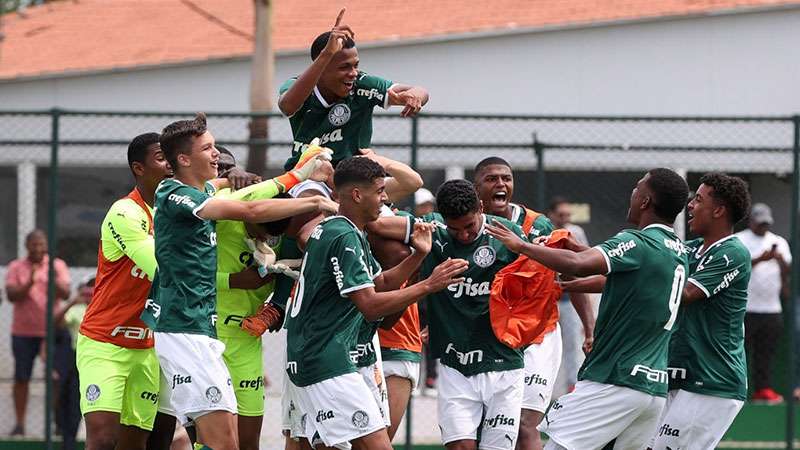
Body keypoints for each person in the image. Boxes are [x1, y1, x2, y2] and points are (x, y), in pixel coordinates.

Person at [148, 113, 337, 450]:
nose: (216, 154)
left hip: (200, 331)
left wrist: (295, 175)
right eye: (208, 148)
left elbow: (247, 189)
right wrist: (317, 199)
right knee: (220, 442)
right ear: (183, 159)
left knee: (218, 440)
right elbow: (249, 210)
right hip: (183, 331)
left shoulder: (203, 187)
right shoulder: (176, 196)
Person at [487, 168, 689, 450]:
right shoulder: (677, 250)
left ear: (645, 202)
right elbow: (619, 278)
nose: (632, 193)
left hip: (614, 380)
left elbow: (576, 265)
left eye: (637, 188)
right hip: (652, 389)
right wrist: (564, 285)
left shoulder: (637, 241)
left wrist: (521, 245)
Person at [283, 157, 468, 450]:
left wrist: (417, 257)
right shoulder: (342, 235)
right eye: (380, 190)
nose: (384, 198)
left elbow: (380, 283)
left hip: (322, 357)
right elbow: (369, 305)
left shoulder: (344, 231)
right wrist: (429, 285)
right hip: (325, 360)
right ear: (357, 195)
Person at [372, 179, 531, 449]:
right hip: (455, 365)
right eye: (456, 229)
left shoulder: (509, 236)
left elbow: (534, 293)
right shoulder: (434, 227)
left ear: (481, 207)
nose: (464, 236)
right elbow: (376, 224)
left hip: (504, 364)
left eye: (469, 226)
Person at [474, 157, 595, 450]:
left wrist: (590, 328)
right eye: (491, 179)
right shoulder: (464, 226)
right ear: (476, 186)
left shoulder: (536, 225)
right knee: (485, 424)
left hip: (536, 334)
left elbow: (571, 271)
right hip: (483, 336)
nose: (501, 184)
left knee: (525, 421)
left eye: (506, 178)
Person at [648, 173, 752, 449]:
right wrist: (576, 271)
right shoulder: (691, 249)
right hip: (680, 377)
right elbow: (642, 275)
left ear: (719, 210)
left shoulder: (732, 253)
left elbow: (685, 294)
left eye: (698, 199)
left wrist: (631, 280)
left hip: (713, 382)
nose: (690, 206)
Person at [278, 8, 429, 169]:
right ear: (321, 66)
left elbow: (420, 90)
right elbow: (287, 107)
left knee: (412, 181)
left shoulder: (363, 84)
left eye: (355, 65)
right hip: (309, 173)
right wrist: (327, 53)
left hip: (355, 174)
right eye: (345, 67)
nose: (353, 73)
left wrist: (414, 96)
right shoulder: (299, 87)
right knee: (315, 194)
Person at [5, 229, 71, 437]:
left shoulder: (57, 265)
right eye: (34, 245)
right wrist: (30, 281)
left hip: (52, 332)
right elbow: (11, 295)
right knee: (21, 378)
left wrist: (53, 279)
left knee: (56, 378)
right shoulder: (16, 267)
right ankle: (20, 423)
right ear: (27, 246)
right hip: (23, 332)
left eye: (41, 244)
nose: (38, 248)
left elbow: (66, 293)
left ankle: (56, 423)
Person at [735, 202, 791, 403]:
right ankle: (736, 388)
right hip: (745, 308)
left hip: (771, 308)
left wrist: (778, 259)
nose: (763, 227)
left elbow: (787, 271)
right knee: (739, 352)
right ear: (751, 222)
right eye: (760, 223)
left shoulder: (779, 242)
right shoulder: (739, 240)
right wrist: (761, 258)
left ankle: (762, 390)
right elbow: (737, 268)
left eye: (766, 224)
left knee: (765, 352)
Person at [547, 196, 591, 396]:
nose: (565, 218)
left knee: (573, 345)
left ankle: (573, 387)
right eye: (561, 214)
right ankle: (547, 389)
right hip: (548, 298)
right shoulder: (545, 229)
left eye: (567, 215)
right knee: (548, 346)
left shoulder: (576, 232)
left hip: (569, 296)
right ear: (552, 215)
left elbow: (585, 262)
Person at [55, 276, 94, 450]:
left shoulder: (103, 308)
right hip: (75, 359)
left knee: (79, 402)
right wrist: (72, 302)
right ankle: (66, 438)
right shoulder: (77, 310)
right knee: (65, 399)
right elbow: (56, 322)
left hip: (95, 361)